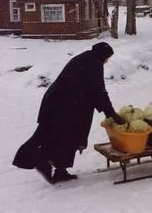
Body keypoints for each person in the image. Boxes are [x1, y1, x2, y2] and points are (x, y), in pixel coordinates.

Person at [12, 42, 126, 184]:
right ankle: (41, 160)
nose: (107, 61)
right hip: (66, 106)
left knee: (52, 135)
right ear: (103, 56)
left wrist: (107, 111)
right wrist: (112, 114)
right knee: (68, 137)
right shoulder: (94, 63)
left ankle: (51, 166)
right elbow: (99, 91)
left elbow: (91, 88)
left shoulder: (84, 58)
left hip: (56, 103)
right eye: (107, 58)